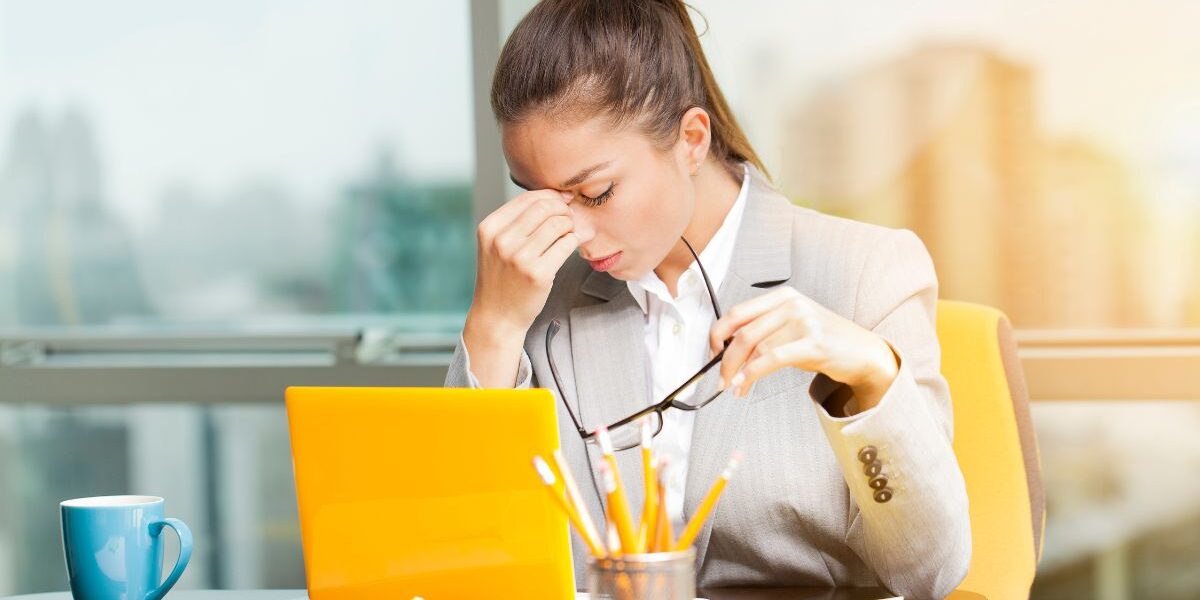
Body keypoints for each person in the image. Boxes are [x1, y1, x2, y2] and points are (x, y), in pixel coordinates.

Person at [445, 1, 971, 597]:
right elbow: (466, 556)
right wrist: (493, 326)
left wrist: (873, 376)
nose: (575, 234)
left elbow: (930, 571)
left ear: (692, 140)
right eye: (537, 198)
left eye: (596, 192)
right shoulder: (533, 296)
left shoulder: (864, 270)